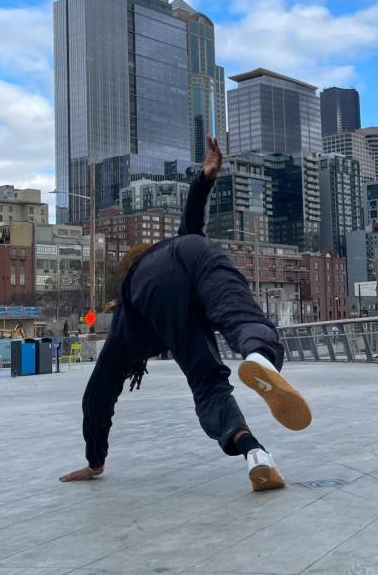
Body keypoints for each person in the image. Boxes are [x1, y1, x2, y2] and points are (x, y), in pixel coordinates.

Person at [59, 136, 313, 491]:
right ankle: (259, 364)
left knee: (208, 383)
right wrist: (205, 178)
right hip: (199, 250)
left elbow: (97, 396)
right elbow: (192, 219)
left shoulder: (130, 305)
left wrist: (95, 458)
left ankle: (254, 452)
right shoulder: (176, 244)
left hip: (160, 289)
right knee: (241, 315)